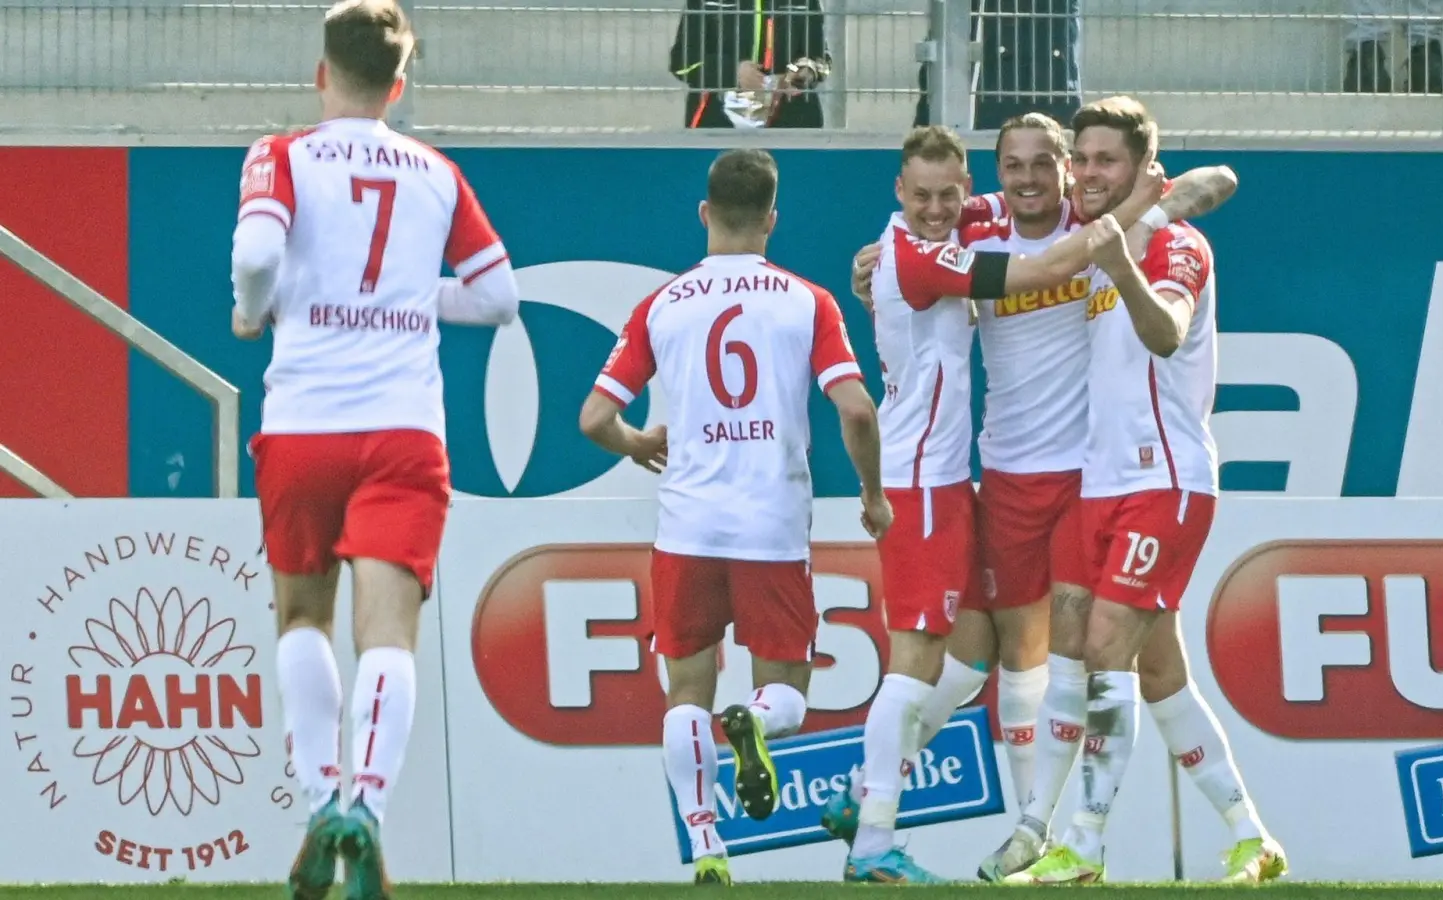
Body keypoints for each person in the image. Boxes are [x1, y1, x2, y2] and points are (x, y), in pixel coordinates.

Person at [841, 113, 1248, 883]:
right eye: (1012, 166)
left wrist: (1175, 198)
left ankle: (1043, 838)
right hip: (1002, 472)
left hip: (1093, 477)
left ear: (1070, 171)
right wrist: (877, 259)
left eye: (1048, 165)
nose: (1028, 180)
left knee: (1067, 665)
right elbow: (919, 229)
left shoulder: (1093, 216)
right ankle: (879, 797)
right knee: (985, 660)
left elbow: (1213, 185)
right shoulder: (980, 219)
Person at [229, 2, 520, 899]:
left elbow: (255, 252)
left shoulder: (281, 153)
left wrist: (252, 310)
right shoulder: (435, 170)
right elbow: (501, 296)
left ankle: (322, 797)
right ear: (400, 84)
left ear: (322, 73)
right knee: (387, 633)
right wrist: (409, 299)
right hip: (403, 427)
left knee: (302, 619)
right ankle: (369, 810)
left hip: (306, 421)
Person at [577, 148, 890, 886]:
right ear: (773, 220)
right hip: (770, 527)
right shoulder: (806, 300)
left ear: (704, 213)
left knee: (685, 693)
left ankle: (706, 844)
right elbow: (856, 407)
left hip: (687, 528)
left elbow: (595, 417)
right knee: (785, 692)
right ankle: (754, 718)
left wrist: (638, 444)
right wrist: (873, 494)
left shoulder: (664, 304)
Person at [1005, 95, 1284, 886]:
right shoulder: (1096, 235)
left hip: (1164, 480)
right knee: (1152, 674)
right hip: (1096, 485)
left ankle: (1082, 845)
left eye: (1107, 162)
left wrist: (1135, 240)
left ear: (1138, 171)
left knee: (1104, 655)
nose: (1088, 173)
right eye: (1082, 160)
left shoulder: (1174, 246)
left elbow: (1164, 330)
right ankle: (1250, 835)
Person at [669, 0, 830, 128]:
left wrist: (801, 73)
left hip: (791, 122)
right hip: (717, 123)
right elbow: (682, 63)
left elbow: (822, 62)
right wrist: (734, 73)